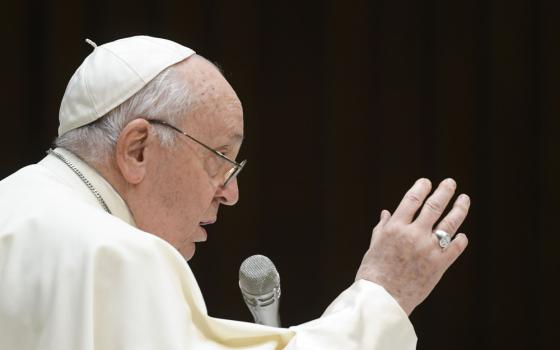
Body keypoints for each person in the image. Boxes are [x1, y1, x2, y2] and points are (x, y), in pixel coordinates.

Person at [0, 36, 470, 349]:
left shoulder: (14, 204)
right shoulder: (116, 255)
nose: (231, 193)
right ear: (137, 149)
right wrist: (384, 294)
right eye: (220, 159)